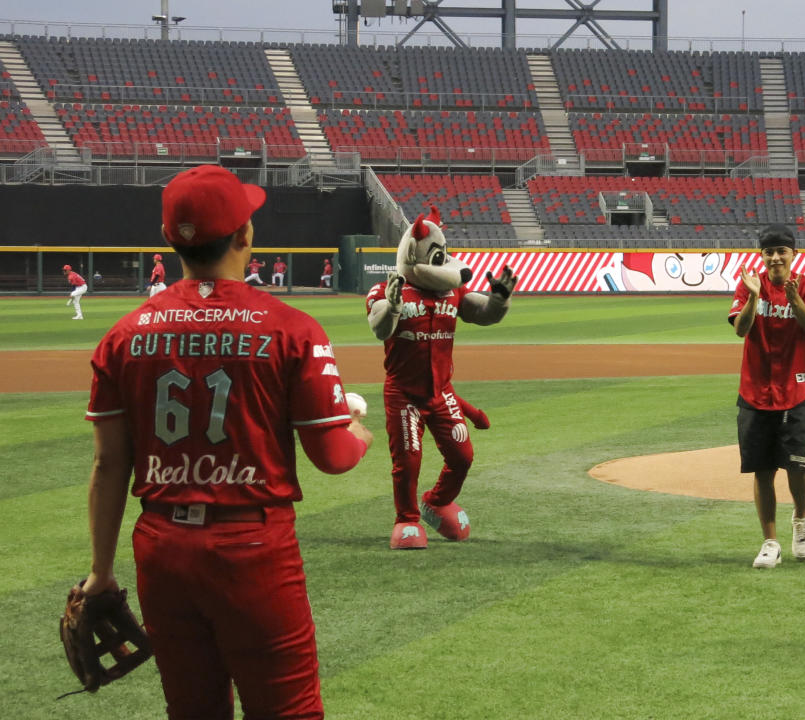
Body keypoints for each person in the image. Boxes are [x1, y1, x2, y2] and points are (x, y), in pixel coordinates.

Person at [81, 164, 373, 718]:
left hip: (161, 549)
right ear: (245, 236)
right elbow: (333, 457)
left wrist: (101, 570)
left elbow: (108, 464)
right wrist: (357, 432)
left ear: (171, 240)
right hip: (252, 549)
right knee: (288, 710)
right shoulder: (291, 327)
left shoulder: (122, 335)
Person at [366, 207, 517, 549]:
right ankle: (406, 519)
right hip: (403, 393)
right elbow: (380, 328)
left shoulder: (453, 293)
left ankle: (436, 502)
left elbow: (483, 314)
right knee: (407, 461)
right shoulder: (387, 291)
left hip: (441, 392)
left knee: (462, 457)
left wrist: (499, 301)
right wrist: (390, 307)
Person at [728, 223, 805, 569]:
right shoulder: (748, 284)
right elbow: (741, 329)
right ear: (762, 255)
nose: (775, 257)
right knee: (763, 468)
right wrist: (754, 295)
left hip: (797, 387)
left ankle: (801, 520)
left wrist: (793, 295)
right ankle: (770, 542)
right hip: (755, 390)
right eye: (769, 252)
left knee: (797, 464)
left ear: (793, 254)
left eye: (782, 251)